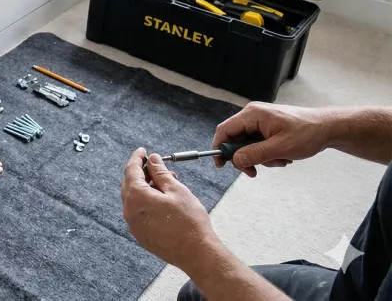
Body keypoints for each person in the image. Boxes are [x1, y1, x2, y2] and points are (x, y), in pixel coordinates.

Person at [121, 102, 392, 301]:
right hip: (368, 279)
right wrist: (328, 126)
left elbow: (204, 262)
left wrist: (194, 249)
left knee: (205, 287)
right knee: (197, 295)